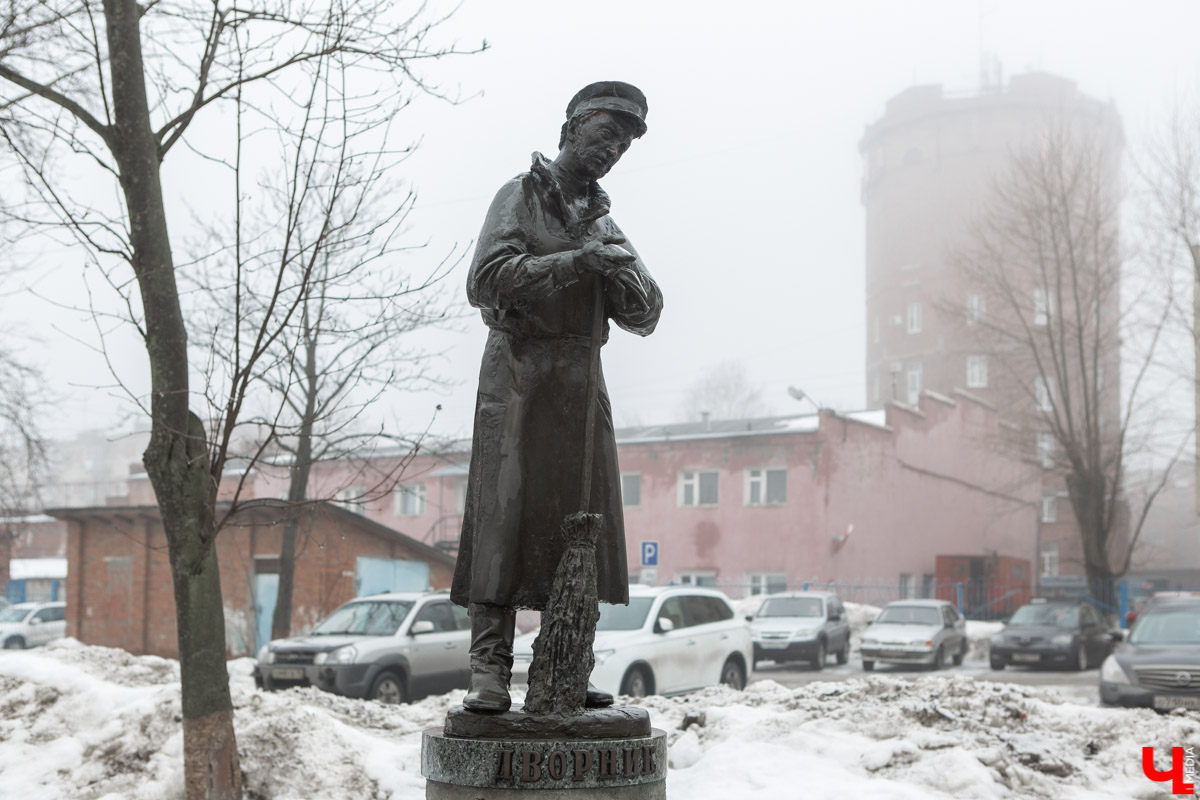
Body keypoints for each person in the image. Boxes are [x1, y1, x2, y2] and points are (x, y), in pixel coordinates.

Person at [451, 81, 663, 712]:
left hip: (580, 379)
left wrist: (622, 275)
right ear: (572, 127)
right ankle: (489, 668)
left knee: (580, 522)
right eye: (606, 135)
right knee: (503, 516)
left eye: (623, 145)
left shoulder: (603, 218)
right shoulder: (520, 195)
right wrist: (576, 263)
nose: (613, 150)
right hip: (518, 373)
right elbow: (486, 282)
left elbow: (647, 313)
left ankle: (564, 665)